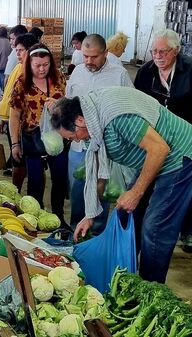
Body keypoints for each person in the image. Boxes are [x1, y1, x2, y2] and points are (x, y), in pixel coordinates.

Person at [49, 86, 192, 283]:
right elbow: (99, 173)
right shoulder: (92, 126)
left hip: (179, 157)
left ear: (79, 121)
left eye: (72, 137)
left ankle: (149, 289)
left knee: (155, 228)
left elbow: (159, 148)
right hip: (153, 159)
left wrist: (136, 192)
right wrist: (91, 215)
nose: (75, 141)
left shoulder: (117, 117)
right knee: (125, 215)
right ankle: (125, 278)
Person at [133, 29, 192, 253]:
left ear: (176, 51)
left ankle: (188, 232)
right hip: (157, 139)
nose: (158, 56)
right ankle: (142, 231)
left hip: (188, 139)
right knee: (150, 182)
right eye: (154, 51)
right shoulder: (145, 72)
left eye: (164, 51)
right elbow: (137, 105)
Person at [66, 34, 134, 232]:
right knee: (78, 191)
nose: (88, 61)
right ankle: (75, 234)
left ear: (105, 53)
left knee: (100, 191)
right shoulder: (78, 72)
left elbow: (129, 106)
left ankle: (96, 232)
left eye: (93, 57)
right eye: (85, 56)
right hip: (79, 146)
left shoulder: (119, 74)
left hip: (106, 147)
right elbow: (69, 102)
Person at [9, 43, 68, 224]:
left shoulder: (59, 80)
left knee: (59, 181)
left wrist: (59, 107)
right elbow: (14, 115)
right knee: (34, 182)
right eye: (37, 65)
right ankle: (36, 218)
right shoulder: (21, 84)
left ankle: (58, 216)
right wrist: (15, 144)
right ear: (29, 64)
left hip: (57, 138)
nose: (42, 69)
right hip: (32, 140)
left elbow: (70, 107)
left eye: (46, 64)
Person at [0, 33, 38, 190]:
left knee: (23, 161)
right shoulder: (18, 67)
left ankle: (20, 191)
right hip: (12, 121)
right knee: (17, 160)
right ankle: (17, 190)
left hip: (25, 126)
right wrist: (3, 118)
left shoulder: (31, 72)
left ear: (30, 51)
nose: (18, 54)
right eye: (17, 50)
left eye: (21, 50)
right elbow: (9, 96)